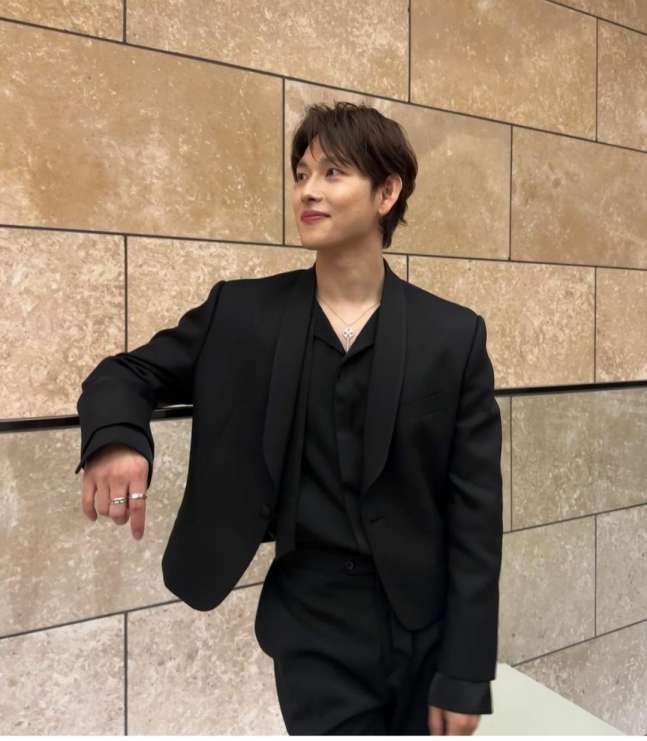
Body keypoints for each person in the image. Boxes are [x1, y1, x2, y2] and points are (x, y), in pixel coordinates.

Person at [76, 101, 503, 735]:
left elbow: (476, 516)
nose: (307, 190)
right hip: (312, 624)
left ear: (387, 193)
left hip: (427, 625)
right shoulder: (241, 314)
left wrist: (466, 670)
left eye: (333, 173)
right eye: (301, 173)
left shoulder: (453, 336)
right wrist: (117, 440)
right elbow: (125, 374)